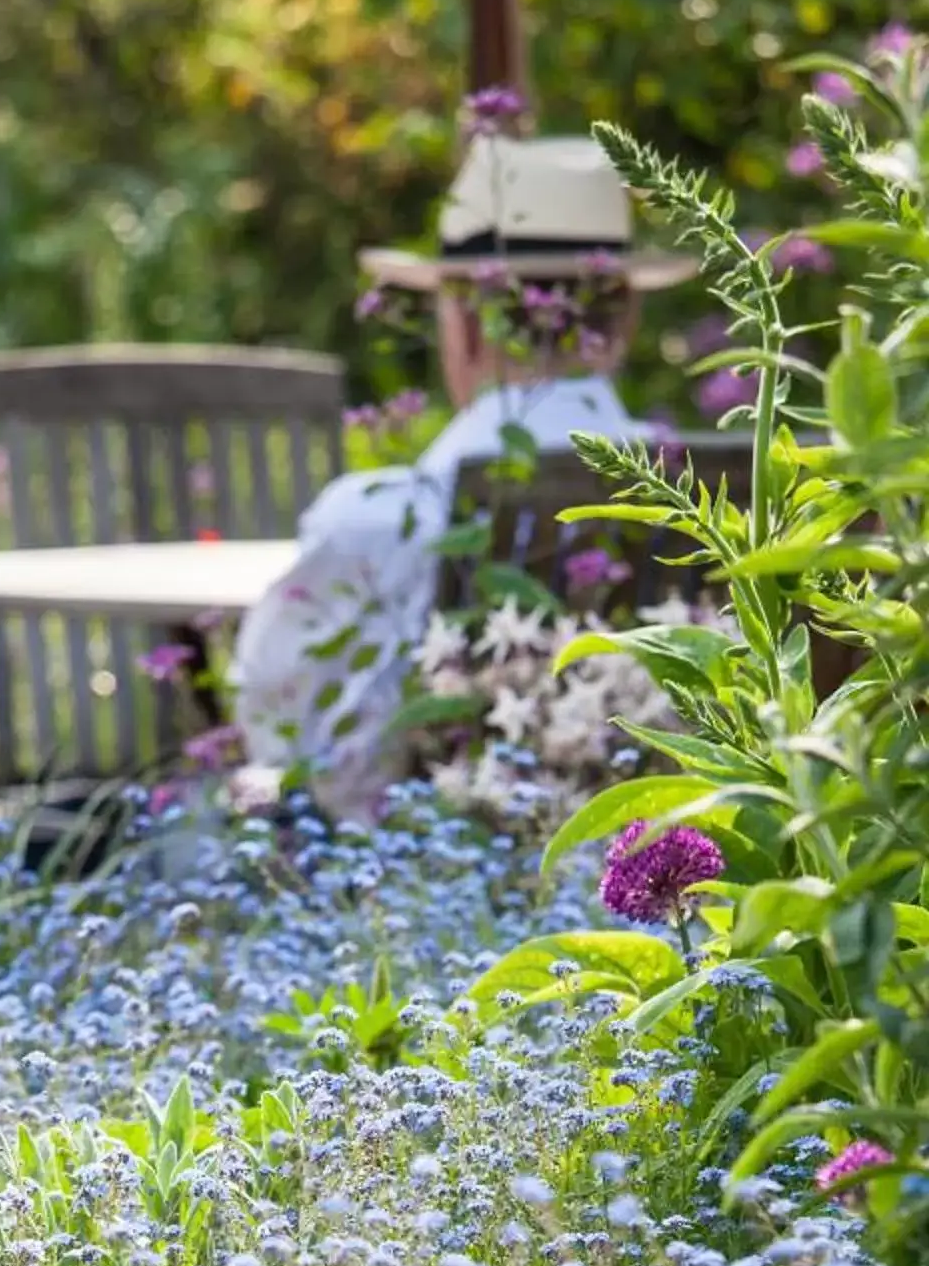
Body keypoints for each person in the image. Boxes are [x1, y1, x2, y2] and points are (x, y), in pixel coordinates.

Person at [234, 130, 691, 817]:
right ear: (623, 319)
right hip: (669, 869)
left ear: (465, 325)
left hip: (434, 884)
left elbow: (300, 741)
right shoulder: (710, 502)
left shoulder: (382, 518)